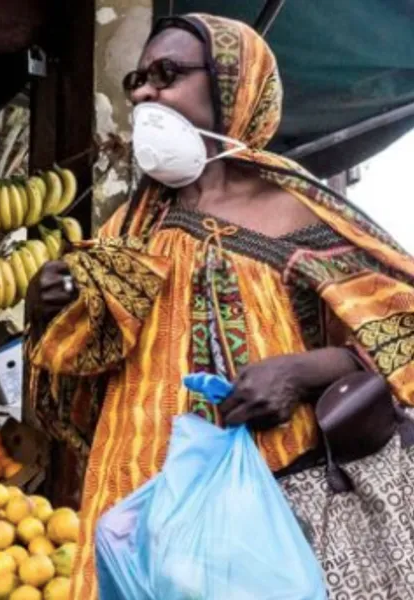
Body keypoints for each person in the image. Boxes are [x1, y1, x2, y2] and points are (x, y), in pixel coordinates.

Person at [25, 12, 414, 600]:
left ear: (235, 86)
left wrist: (300, 371)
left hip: (270, 508)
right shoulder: (131, 226)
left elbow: (403, 331)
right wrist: (50, 309)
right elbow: (81, 378)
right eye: (138, 80)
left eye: (167, 73)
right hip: (139, 500)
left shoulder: (300, 210)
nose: (147, 92)